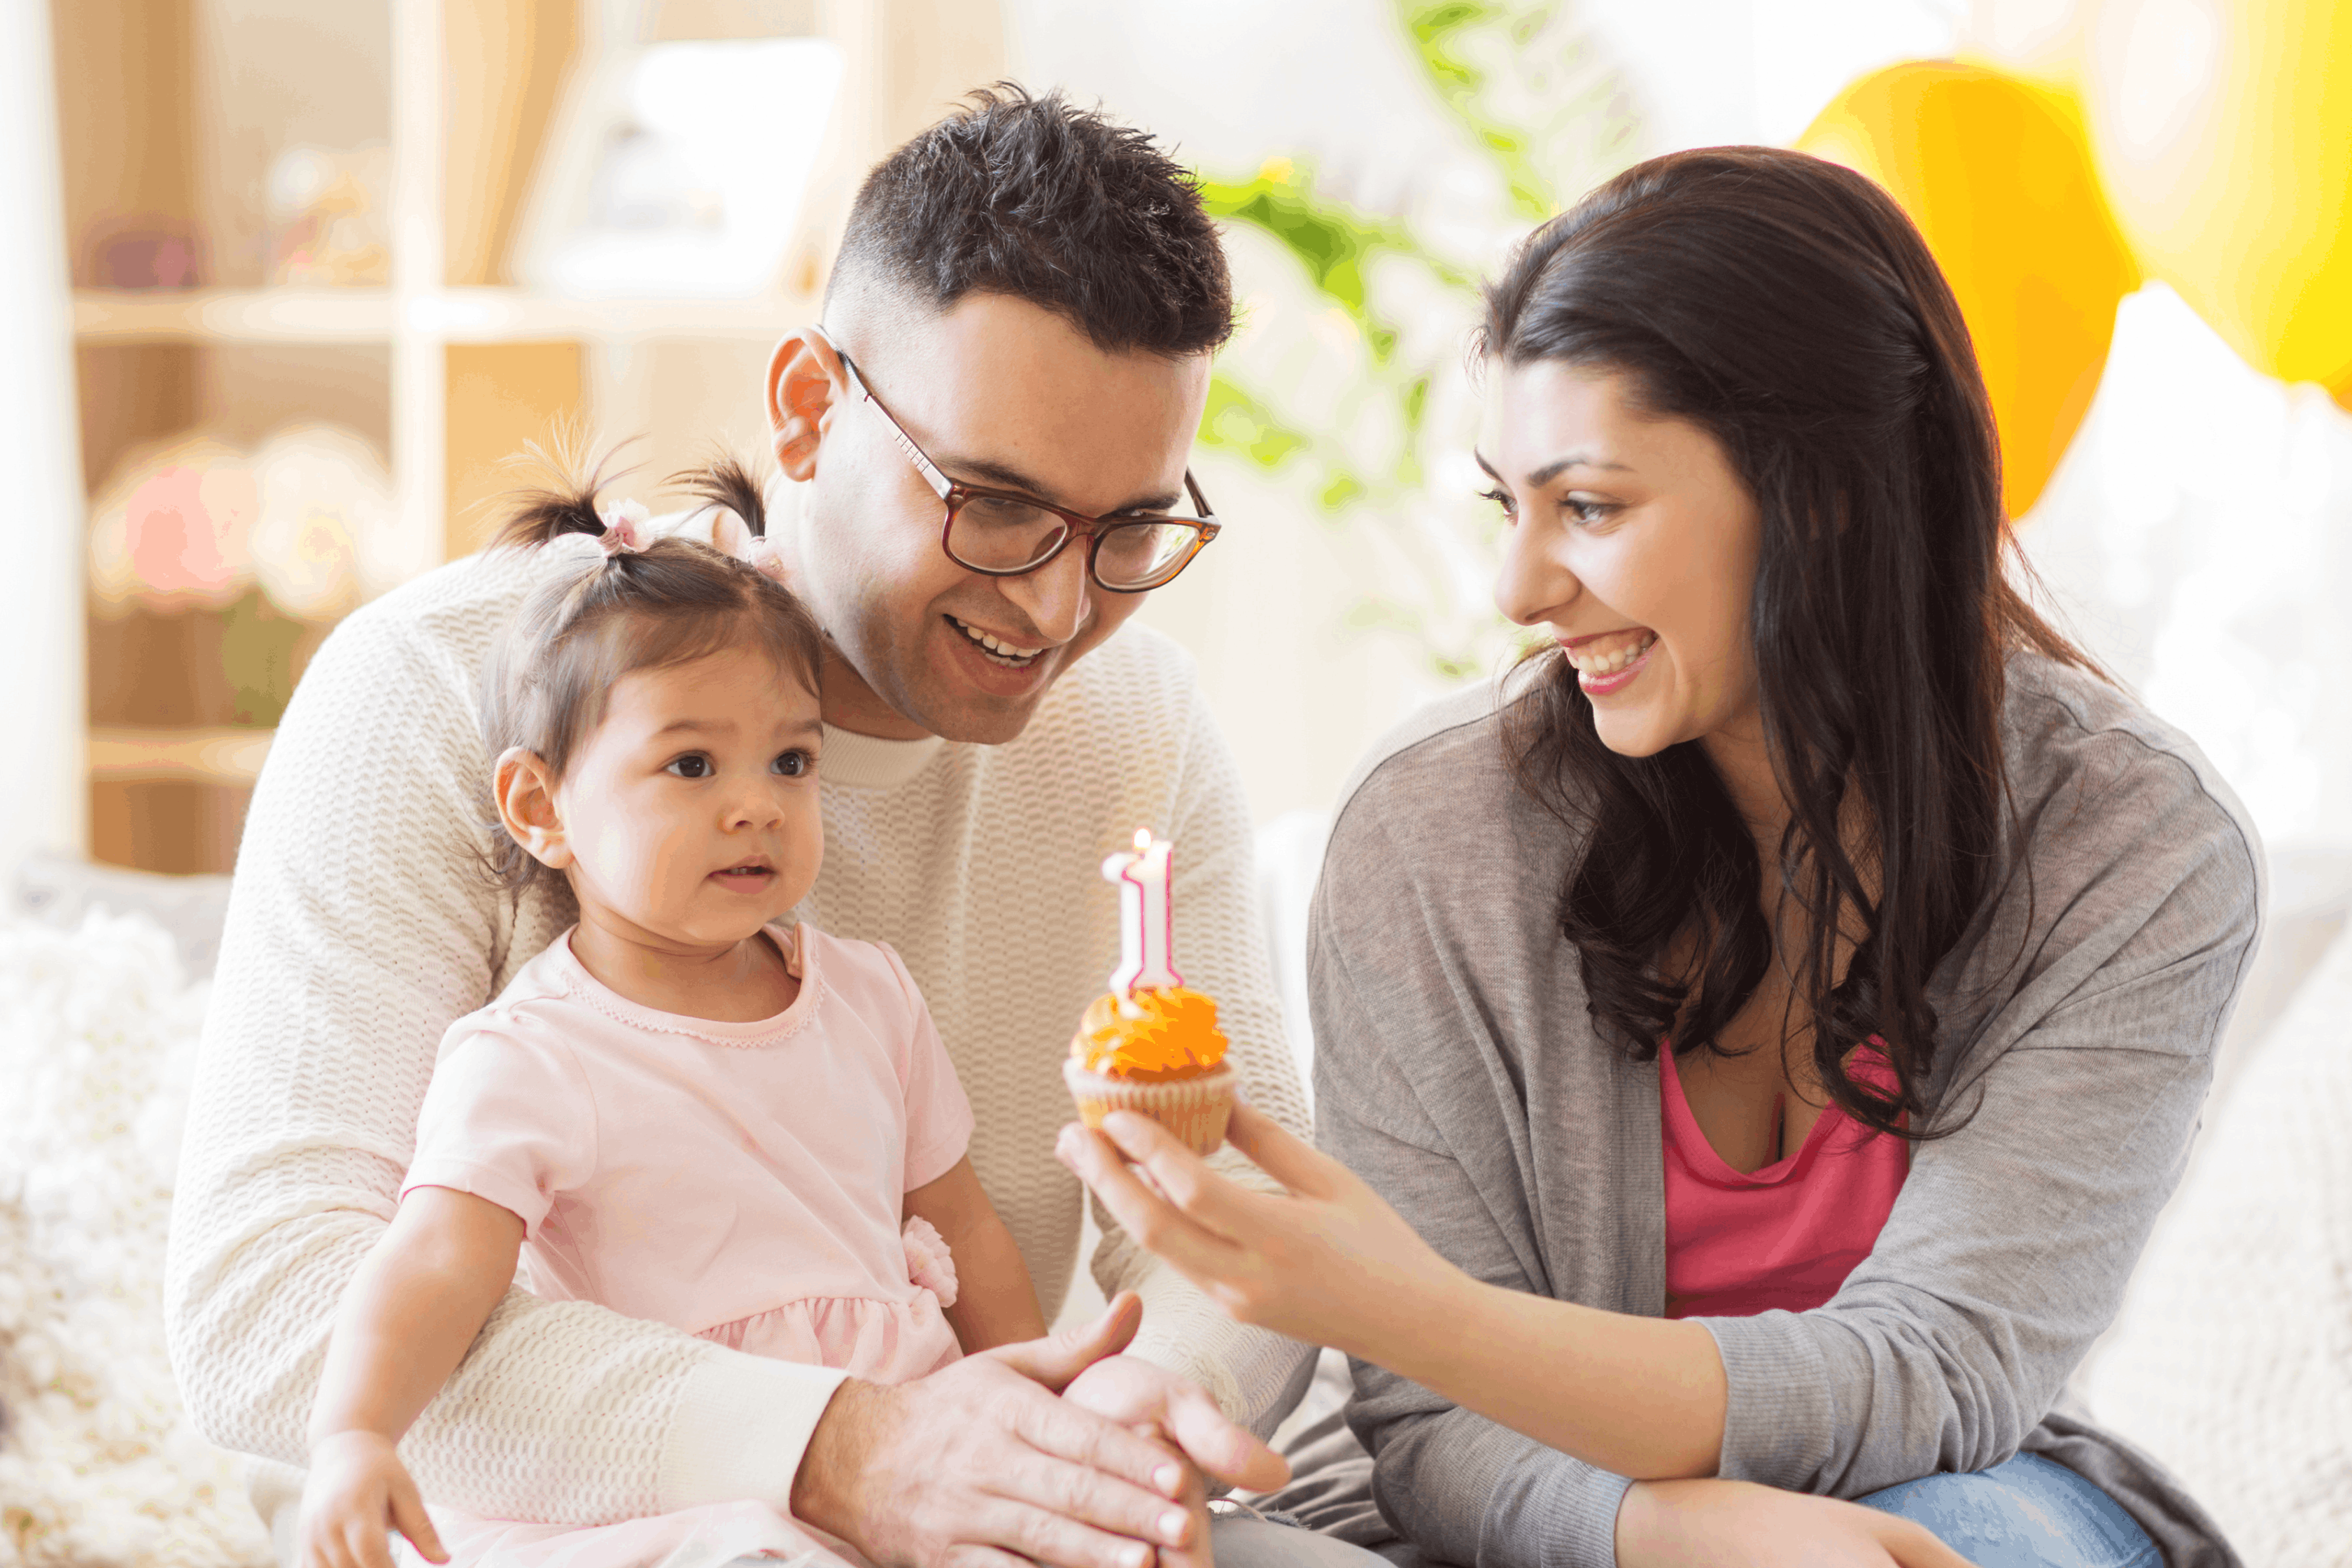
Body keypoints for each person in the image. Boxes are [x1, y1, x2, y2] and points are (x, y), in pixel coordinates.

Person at [168, 86, 1365, 1568]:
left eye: (1131, 529)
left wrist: (1120, 1429)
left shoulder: (1138, 726)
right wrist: (836, 1446)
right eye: (995, 505)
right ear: (806, 406)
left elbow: (1236, 1197)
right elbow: (263, 1312)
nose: (1062, 609)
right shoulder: (431, 693)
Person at [1059, 146, 2262, 1568]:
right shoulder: (1435, 836)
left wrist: (1395, 1301)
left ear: (1821, 496)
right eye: (1507, 504)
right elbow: (1436, 1434)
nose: (1517, 589)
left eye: (1593, 507)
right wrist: (1674, 1534)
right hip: (1530, 1514)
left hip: (1963, 1488)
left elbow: (1944, 1375)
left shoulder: (2135, 845)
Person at [294, 505, 1050, 1568]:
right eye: (692, 767)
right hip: (678, 1495)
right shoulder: (533, 1055)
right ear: (539, 804)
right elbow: (432, 1267)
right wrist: (353, 1435)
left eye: (791, 762)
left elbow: (967, 1235)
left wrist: (1043, 1409)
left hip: (904, 1445)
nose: (758, 807)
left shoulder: (873, 999)